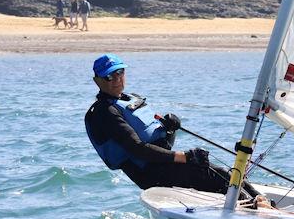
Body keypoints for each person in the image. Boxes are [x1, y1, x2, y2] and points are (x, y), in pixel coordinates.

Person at [85, 53, 261, 199]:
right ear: (97, 81)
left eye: (120, 73)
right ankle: (255, 210)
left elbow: (165, 145)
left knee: (223, 173)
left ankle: (262, 201)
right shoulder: (105, 112)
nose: (116, 80)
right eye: (109, 76)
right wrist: (187, 157)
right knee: (212, 176)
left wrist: (170, 129)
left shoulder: (130, 98)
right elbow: (138, 149)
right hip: (149, 174)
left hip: (162, 165)